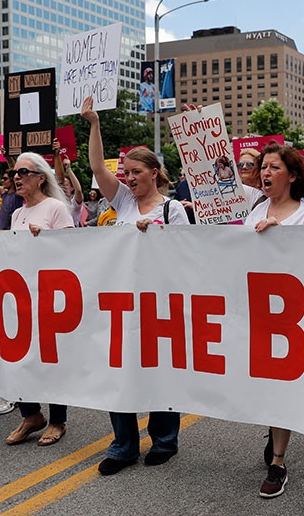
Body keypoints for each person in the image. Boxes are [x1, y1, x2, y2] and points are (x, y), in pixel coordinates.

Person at [81, 95, 188, 474]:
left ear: (154, 173)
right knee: (119, 373)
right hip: (121, 303)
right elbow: (97, 166)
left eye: (136, 172)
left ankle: (164, 440)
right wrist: (94, 124)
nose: (128, 178)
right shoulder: (123, 203)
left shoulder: (172, 209)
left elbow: (184, 256)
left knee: (159, 372)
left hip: (159, 304)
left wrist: (155, 237)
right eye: (125, 173)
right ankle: (123, 445)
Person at [245, 142, 304, 499]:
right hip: (258, 311)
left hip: (292, 318)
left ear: (291, 176)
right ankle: (275, 429)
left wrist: (283, 239)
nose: (265, 172)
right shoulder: (254, 211)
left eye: (274, 167)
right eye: (263, 167)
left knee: (283, 388)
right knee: (265, 386)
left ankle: (278, 462)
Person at [0, 151, 74, 445]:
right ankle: (31, 414)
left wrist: (45, 238)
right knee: (20, 357)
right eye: (15, 173)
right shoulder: (17, 214)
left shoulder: (56, 208)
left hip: (48, 295)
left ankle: (57, 420)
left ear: (40, 178)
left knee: (50, 360)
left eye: (23, 172)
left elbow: (72, 250)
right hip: (21, 297)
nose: (16, 177)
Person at [0, 165, 24, 230]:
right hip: (0, 231)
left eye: (5, 179)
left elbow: (15, 170)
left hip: (12, 231)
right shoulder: (3, 193)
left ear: (12, 180)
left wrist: (8, 159)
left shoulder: (18, 194)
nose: (2, 180)